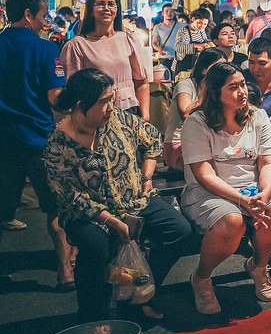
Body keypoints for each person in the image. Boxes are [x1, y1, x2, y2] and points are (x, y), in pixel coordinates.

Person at [45, 69, 192, 321]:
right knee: (95, 247)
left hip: (134, 198)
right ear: (81, 105)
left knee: (179, 231)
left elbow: (153, 141)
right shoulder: (58, 145)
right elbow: (72, 197)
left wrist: (146, 178)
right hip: (90, 214)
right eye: (104, 101)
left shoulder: (118, 120)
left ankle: (143, 292)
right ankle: (94, 316)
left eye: (111, 99)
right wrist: (112, 221)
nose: (111, 107)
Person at [180, 62, 271, 314]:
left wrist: (264, 194)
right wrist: (241, 200)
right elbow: (203, 173)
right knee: (232, 220)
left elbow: (268, 162)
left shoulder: (257, 115)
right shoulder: (197, 123)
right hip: (207, 192)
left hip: (250, 188)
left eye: (242, 85)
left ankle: (259, 266)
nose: (243, 91)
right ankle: (202, 278)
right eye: (233, 87)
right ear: (216, 93)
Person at [0, 0, 74, 287]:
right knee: (55, 208)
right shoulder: (46, 49)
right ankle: (65, 271)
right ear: (28, 14)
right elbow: (56, 98)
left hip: (4, 142)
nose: (46, 22)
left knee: (3, 211)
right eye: (43, 15)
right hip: (38, 141)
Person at [62, 0, 150, 121]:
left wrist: (145, 116)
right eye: (101, 4)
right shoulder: (77, 45)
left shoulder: (128, 40)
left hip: (129, 112)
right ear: (90, 10)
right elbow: (73, 91)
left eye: (111, 4)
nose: (106, 8)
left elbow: (141, 82)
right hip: (96, 115)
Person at [164, 48, 227, 173]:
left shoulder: (221, 88)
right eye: (217, 67)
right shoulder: (186, 85)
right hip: (179, 144)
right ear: (204, 69)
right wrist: (205, 94)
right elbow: (186, 114)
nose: (221, 71)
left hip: (211, 142)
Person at [171, 8, 213, 74]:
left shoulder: (201, 31)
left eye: (205, 24)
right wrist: (196, 46)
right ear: (193, 19)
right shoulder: (183, 31)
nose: (202, 26)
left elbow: (204, 40)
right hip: (182, 68)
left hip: (195, 67)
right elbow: (177, 47)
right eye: (199, 23)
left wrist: (210, 44)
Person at [151, 4, 182, 72]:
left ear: (174, 13)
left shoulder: (181, 26)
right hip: (165, 58)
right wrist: (159, 48)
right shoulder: (157, 27)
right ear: (162, 13)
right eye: (166, 11)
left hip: (178, 59)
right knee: (166, 80)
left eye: (171, 11)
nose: (169, 13)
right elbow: (154, 43)